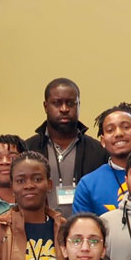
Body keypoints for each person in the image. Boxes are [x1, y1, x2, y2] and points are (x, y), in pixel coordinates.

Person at [24, 78, 108, 214]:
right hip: (40, 231)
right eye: (57, 103)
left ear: (79, 105)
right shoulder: (28, 149)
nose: (64, 109)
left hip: (86, 231)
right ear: (45, 106)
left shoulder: (99, 151)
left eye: (71, 103)